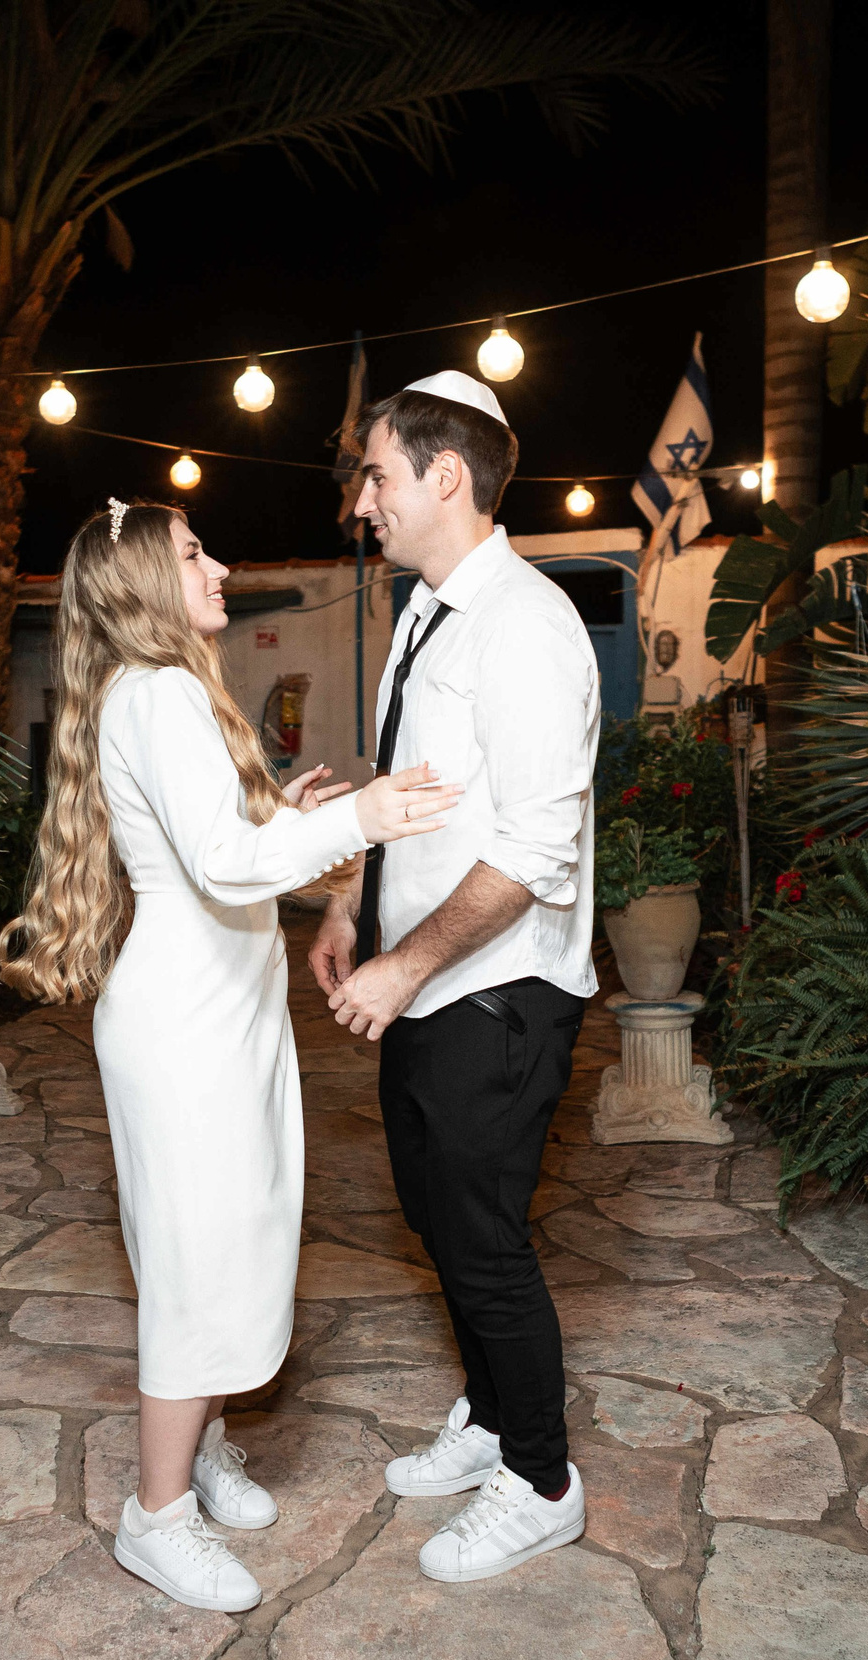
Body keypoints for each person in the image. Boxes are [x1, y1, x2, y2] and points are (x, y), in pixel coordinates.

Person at [0, 498, 461, 1613]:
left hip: (221, 1013)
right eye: (196, 553)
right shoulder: (156, 693)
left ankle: (198, 1452)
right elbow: (219, 862)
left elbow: (226, 841)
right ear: (150, 587)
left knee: (230, 1242)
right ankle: (153, 1517)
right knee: (195, 1266)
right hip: (184, 1027)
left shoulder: (165, 693)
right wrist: (367, 818)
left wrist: (285, 812)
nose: (221, 564)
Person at [310, 371, 601, 1584]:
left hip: (495, 993)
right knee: (434, 1217)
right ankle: (486, 1419)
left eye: (375, 473)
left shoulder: (525, 622)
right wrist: (348, 899)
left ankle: (540, 1478)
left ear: (443, 476)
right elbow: (418, 797)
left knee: (481, 1240)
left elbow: (533, 847)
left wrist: (404, 965)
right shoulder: (429, 613)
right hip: (423, 981)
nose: (361, 499)